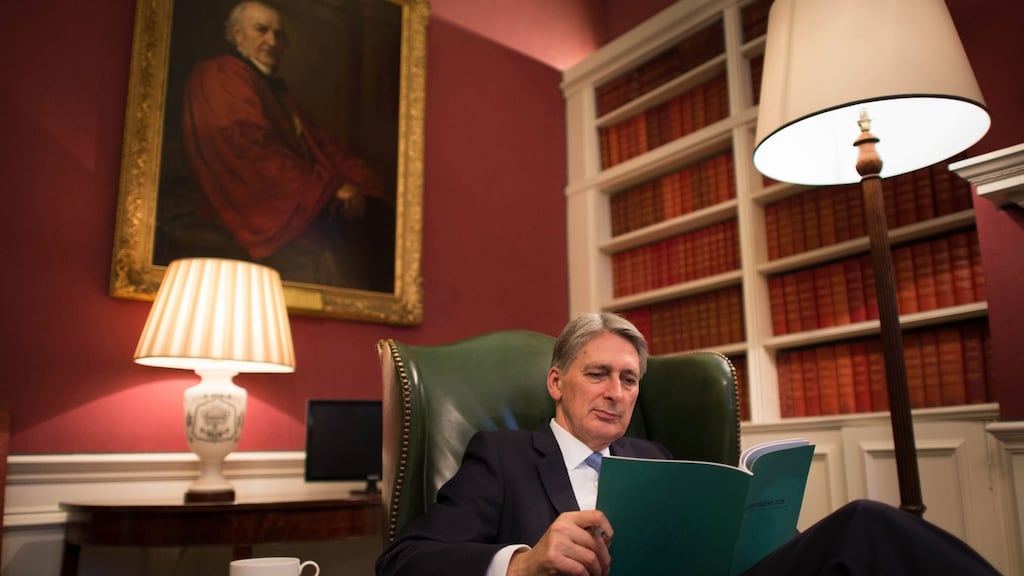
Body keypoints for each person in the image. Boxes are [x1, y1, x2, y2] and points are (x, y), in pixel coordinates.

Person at [375, 312, 1001, 576]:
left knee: (864, 526)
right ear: (557, 382)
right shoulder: (505, 456)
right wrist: (522, 562)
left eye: (629, 379)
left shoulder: (656, 457)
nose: (616, 392)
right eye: (597, 374)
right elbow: (402, 561)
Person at [172, 0, 393, 290]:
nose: (273, 42)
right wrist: (329, 187)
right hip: (262, 201)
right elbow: (249, 153)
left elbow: (317, 144)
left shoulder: (271, 88)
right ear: (237, 35)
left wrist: (358, 181)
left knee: (380, 215)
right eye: (261, 30)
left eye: (279, 34)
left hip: (300, 190)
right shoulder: (220, 74)